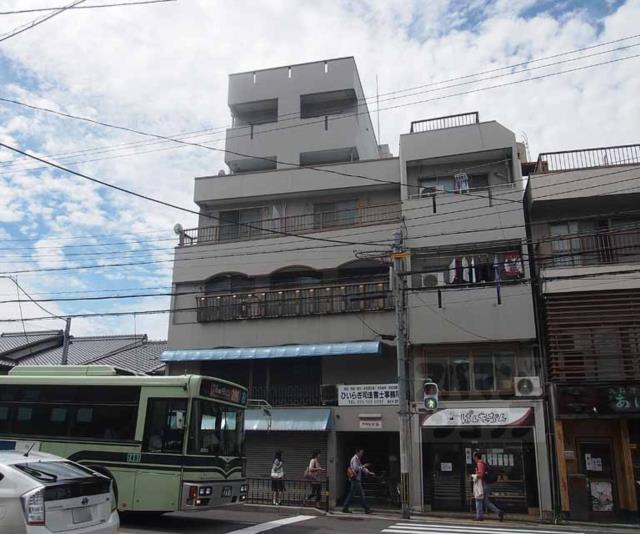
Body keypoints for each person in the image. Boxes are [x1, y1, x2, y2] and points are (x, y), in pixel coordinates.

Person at [472, 452, 504, 521]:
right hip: (487, 484)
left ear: (476, 457)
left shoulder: (479, 464)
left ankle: (479, 516)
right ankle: (499, 512)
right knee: (486, 501)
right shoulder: (484, 463)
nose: (473, 458)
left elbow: (481, 475)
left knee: (478, 499)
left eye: (474, 457)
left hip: (483, 484)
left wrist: (474, 476)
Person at [342, 447, 375, 514]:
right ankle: (366, 509)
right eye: (361, 452)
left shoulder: (357, 459)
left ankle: (345, 507)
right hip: (355, 479)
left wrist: (369, 472)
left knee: (351, 494)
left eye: (362, 452)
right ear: (357, 452)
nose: (362, 454)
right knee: (361, 494)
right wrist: (364, 466)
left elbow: (361, 468)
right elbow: (356, 468)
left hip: (355, 479)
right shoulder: (355, 459)